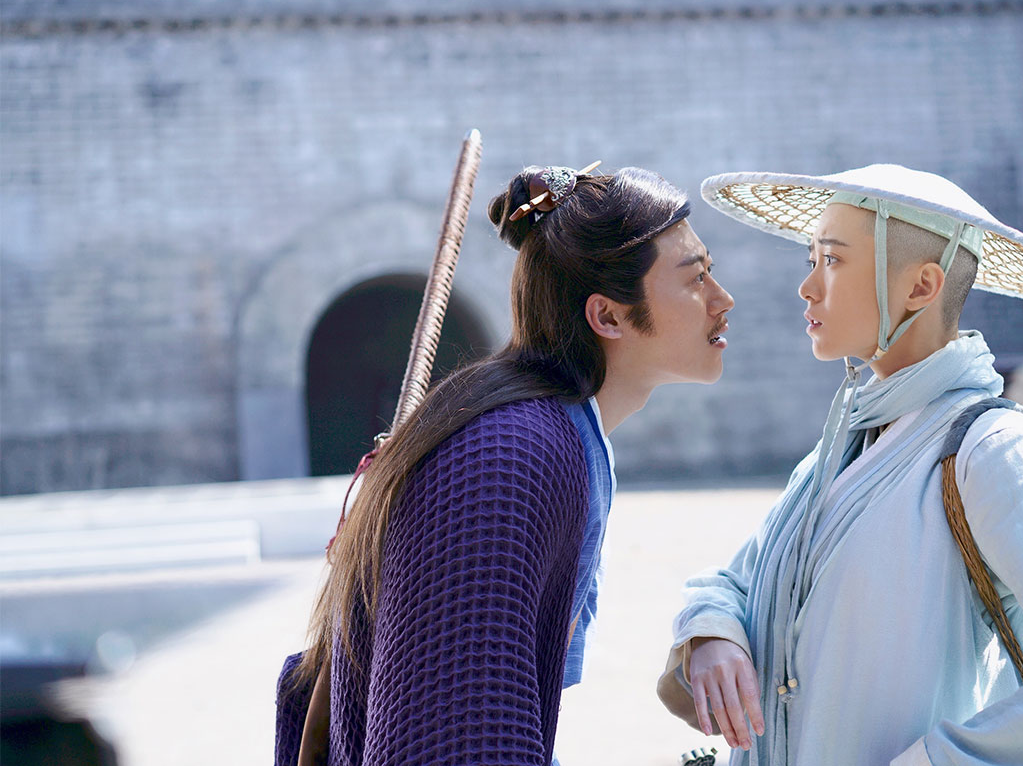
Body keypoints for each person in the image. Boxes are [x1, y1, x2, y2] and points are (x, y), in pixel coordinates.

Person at [657, 164, 1023, 765]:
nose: (808, 288)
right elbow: (739, 580)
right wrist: (714, 634)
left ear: (922, 287)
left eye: (833, 260)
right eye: (811, 260)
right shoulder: (842, 445)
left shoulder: (993, 450)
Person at [274, 163, 735, 766]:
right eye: (696, 278)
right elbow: (459, 743)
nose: (722, 299)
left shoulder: (544, 433)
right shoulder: (508, 457)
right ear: (608, 316)